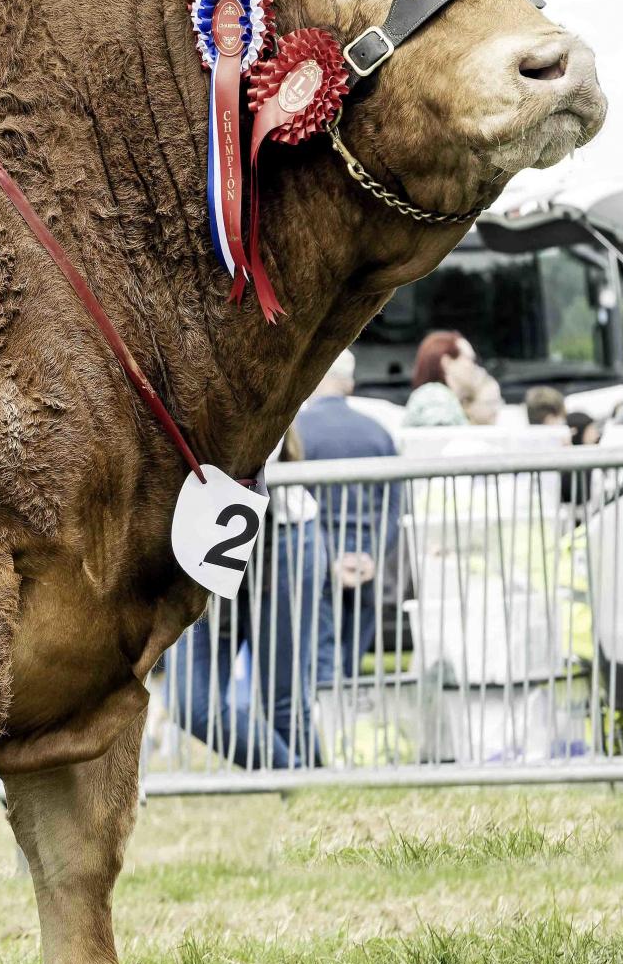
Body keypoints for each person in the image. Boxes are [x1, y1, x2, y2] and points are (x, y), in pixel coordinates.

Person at [161, 424, 330, 770]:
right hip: (207, 543)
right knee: (191, 703)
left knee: (284, 701)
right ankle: (302, 780)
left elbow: (239, 453)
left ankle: (313, 799)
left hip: (284, 539)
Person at [294, 350, 404, 683]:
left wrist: (330, 558)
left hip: (317, 561)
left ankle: (324, 731)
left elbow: (293, 504)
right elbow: (395, 505)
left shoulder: (296, 432)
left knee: (321, 667)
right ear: (350, 384)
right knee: (351, 667)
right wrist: (371, 554)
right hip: (368, 564)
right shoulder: (379, 432)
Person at [403, 330, 483, 427]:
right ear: (447, 363)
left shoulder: (443, 397)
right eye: (470, 359)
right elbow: (440, 439)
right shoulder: (435, 398)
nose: (474, 367)